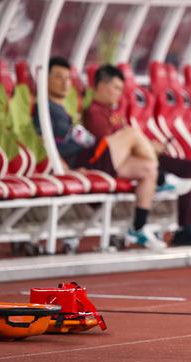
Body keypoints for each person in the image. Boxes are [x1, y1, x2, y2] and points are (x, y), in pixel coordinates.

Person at [34, 57, 168, 249]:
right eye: (58, 77)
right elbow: (44, 145)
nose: (65, 83)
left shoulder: (64, 109)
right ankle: (164, 179)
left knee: (148, 169)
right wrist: (66, 170)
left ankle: (138, 228)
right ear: (45, 80)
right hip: (85, 161)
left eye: (67, 78)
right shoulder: (43, 110)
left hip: (93, 155)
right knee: (131, 134)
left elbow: (82, 138)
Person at [82, 64, 191, 246]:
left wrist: (149, 145)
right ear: (100, 86)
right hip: (120, 160)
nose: (118, 93)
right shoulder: (93, 112)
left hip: (140, 156)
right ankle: (182, 224)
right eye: (115, 88)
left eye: (121, 89)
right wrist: (145, 146)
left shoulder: (113, 111)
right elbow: (109, 147)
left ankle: (189, 225)